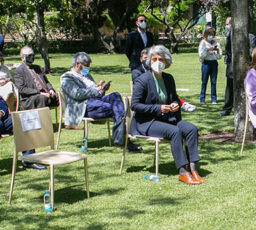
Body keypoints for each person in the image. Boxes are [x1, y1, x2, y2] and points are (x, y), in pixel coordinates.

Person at [130, 45, 203, 184]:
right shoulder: (142, 80)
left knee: (192, 129)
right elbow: (135, 105)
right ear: (149, 62)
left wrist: (175, 104)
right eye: (154, 59)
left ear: (166, 62)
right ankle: (182, 172)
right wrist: (159, 108)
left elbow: (174, 97)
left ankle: (193, 168)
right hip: (147, 122)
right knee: (175, 131)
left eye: (161, 59)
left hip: (167, 118)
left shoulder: (169, 78)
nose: (157, 62)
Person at [60, 52, 134, 150]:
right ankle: (124, 138)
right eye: (86, 66)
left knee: (115, 95)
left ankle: (121, 137)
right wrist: (96, 89)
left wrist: (102, 89)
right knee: (113, 108)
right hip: (83, 105)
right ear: (77, 64)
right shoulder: (67, 77)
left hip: (95, 101)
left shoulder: (87, 76)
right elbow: (77, 94)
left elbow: (96, 93)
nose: (88, 68)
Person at [219, 16, 256, 117]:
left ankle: (248, 108)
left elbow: (252, 51)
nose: (227, 26)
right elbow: (228, 50)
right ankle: (227, 109)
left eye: (228, 24)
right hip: (232, 65)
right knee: (229, 87)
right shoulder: (230, 36)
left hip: (246, 66)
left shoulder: (250, 37)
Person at [12, 46, 58, 111]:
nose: (31, 57)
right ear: (22, 58)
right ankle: (43, 120)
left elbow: (46, 81)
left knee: (61, 96)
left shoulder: (38, 68)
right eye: (29, 55)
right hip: (30, 98)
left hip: (46, 93)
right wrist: (39, 93)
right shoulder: (19, 71)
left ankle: (68, 120)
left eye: (33, 55)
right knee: (42, 98)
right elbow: (22, 89)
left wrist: (51, 89)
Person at [198, 27, 221, 104]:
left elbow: (219, 56)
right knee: (204, 81)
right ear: (206, 34)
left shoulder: (216, 43)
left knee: (213, 81)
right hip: (206, 63)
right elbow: (201, 55)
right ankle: (202, 99)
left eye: (212, 34)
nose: (211, 36)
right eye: (210, 34)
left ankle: (214, 99)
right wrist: (207, 50)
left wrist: (217, 51)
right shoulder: (203, 43)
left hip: (214, 63)